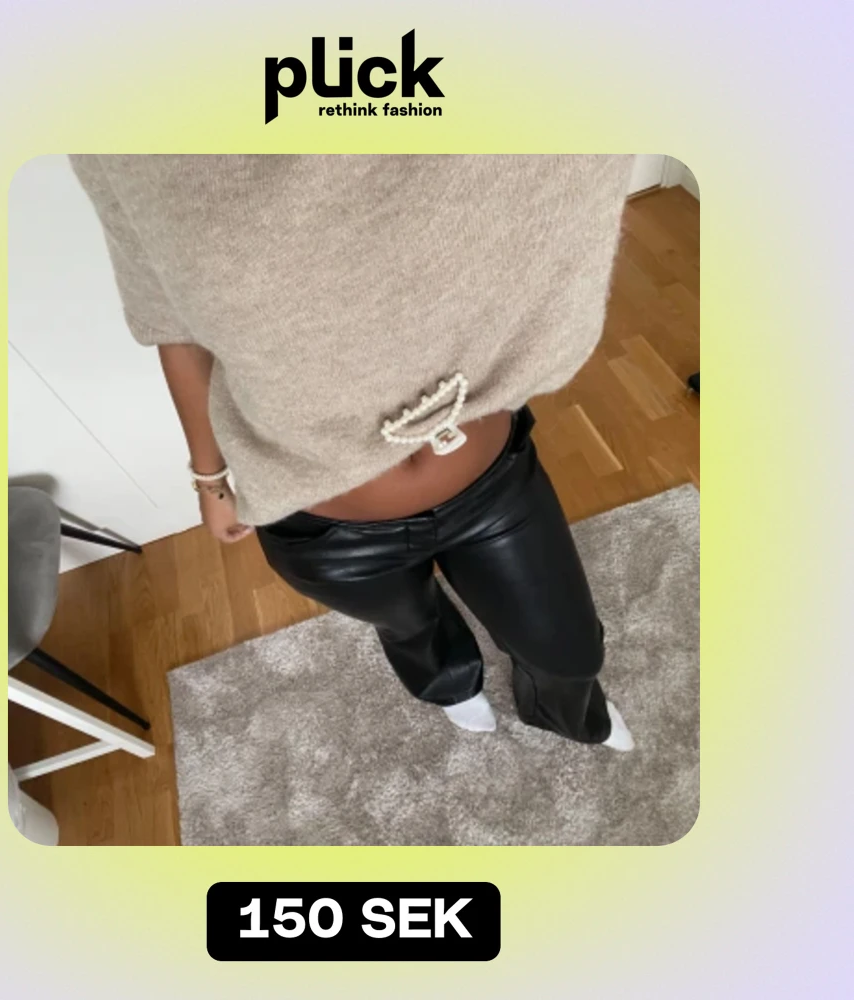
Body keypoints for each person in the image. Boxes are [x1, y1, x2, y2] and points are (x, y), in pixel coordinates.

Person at [70, 153, 635, 750]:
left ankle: (568, 709)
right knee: (411, 627)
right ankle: (450, 685)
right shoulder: (144, 149)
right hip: (329, 530)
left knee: (568, 648)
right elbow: (175, 328)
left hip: (492, 483)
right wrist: (210, 480)